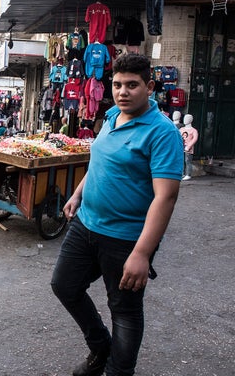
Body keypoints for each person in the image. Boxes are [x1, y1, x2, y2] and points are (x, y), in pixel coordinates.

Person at [51, 53, 183, 376]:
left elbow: (166, 197)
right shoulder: (111, 116)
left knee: (123, 311)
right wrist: (78, 194)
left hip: (125, 239)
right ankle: (100, 348)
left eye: (132, 85)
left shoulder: (162, 133)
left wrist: (142, 253)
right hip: (86, 224)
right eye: (118, 84)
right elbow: (99, 160)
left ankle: (118, 371)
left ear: (149, 87)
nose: (123, 91)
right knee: (64, 285)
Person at [180, 114, 198, 181]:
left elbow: (194, 139)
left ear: (191, 120)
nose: (185, 120)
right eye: (184, 118)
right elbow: (178, 137)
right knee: (181, 161)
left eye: (187, 118)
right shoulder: (181, 129)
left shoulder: (194, 130)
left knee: (187, 161)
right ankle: (181, 173)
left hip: (188, 149)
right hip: (181, 147)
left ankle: (188, 174)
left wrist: (189, 146)